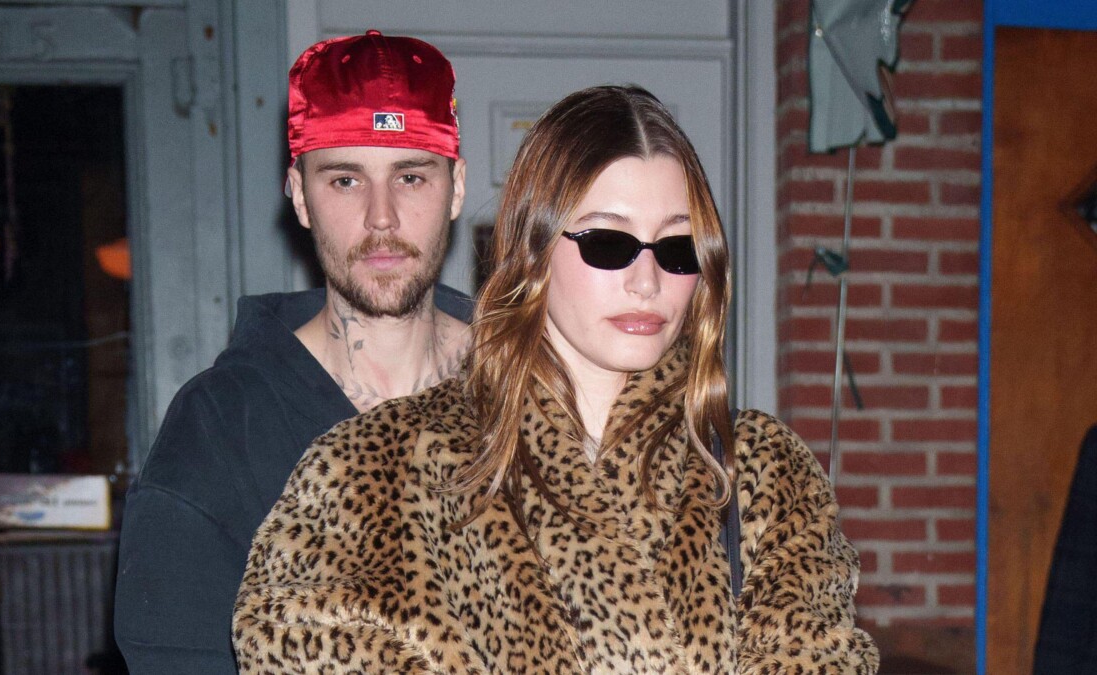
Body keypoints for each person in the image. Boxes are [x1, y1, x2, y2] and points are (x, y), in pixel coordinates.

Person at [233, 85, 879, 673]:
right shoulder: (374, 468)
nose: (647, 281)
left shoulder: (762, 470)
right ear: (535, 248)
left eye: (677, 248)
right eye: (608, 243)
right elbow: (295, 640)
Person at [114, 30, 469, 673]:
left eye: (411, 177)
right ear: (301, 196)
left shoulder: (535, 386)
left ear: (456, 189)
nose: (382, 217)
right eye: (345, 180)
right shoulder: (220, 425)